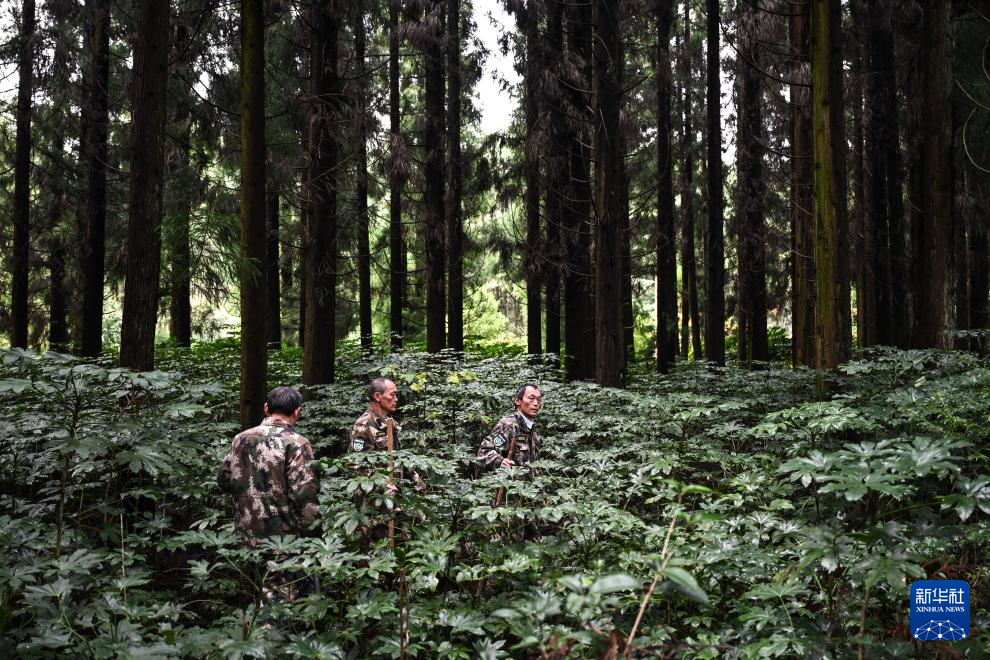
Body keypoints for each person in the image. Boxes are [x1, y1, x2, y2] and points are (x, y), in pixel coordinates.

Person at [217, 386, 321, 545]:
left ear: (266, 408)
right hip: (284, 543)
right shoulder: (298, 444)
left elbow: (224, 480)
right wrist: (313, 536)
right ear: (297, 411)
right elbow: (304, 496)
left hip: (245, 537)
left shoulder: (240, 439)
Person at [478, 383, 543, 474]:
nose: (536, 404)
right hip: (510, 481)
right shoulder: (508, 425)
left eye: (539, 400)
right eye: (531, 398)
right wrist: (500, 462)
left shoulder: (531, 428)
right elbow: (484, 451)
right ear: (517, 401)